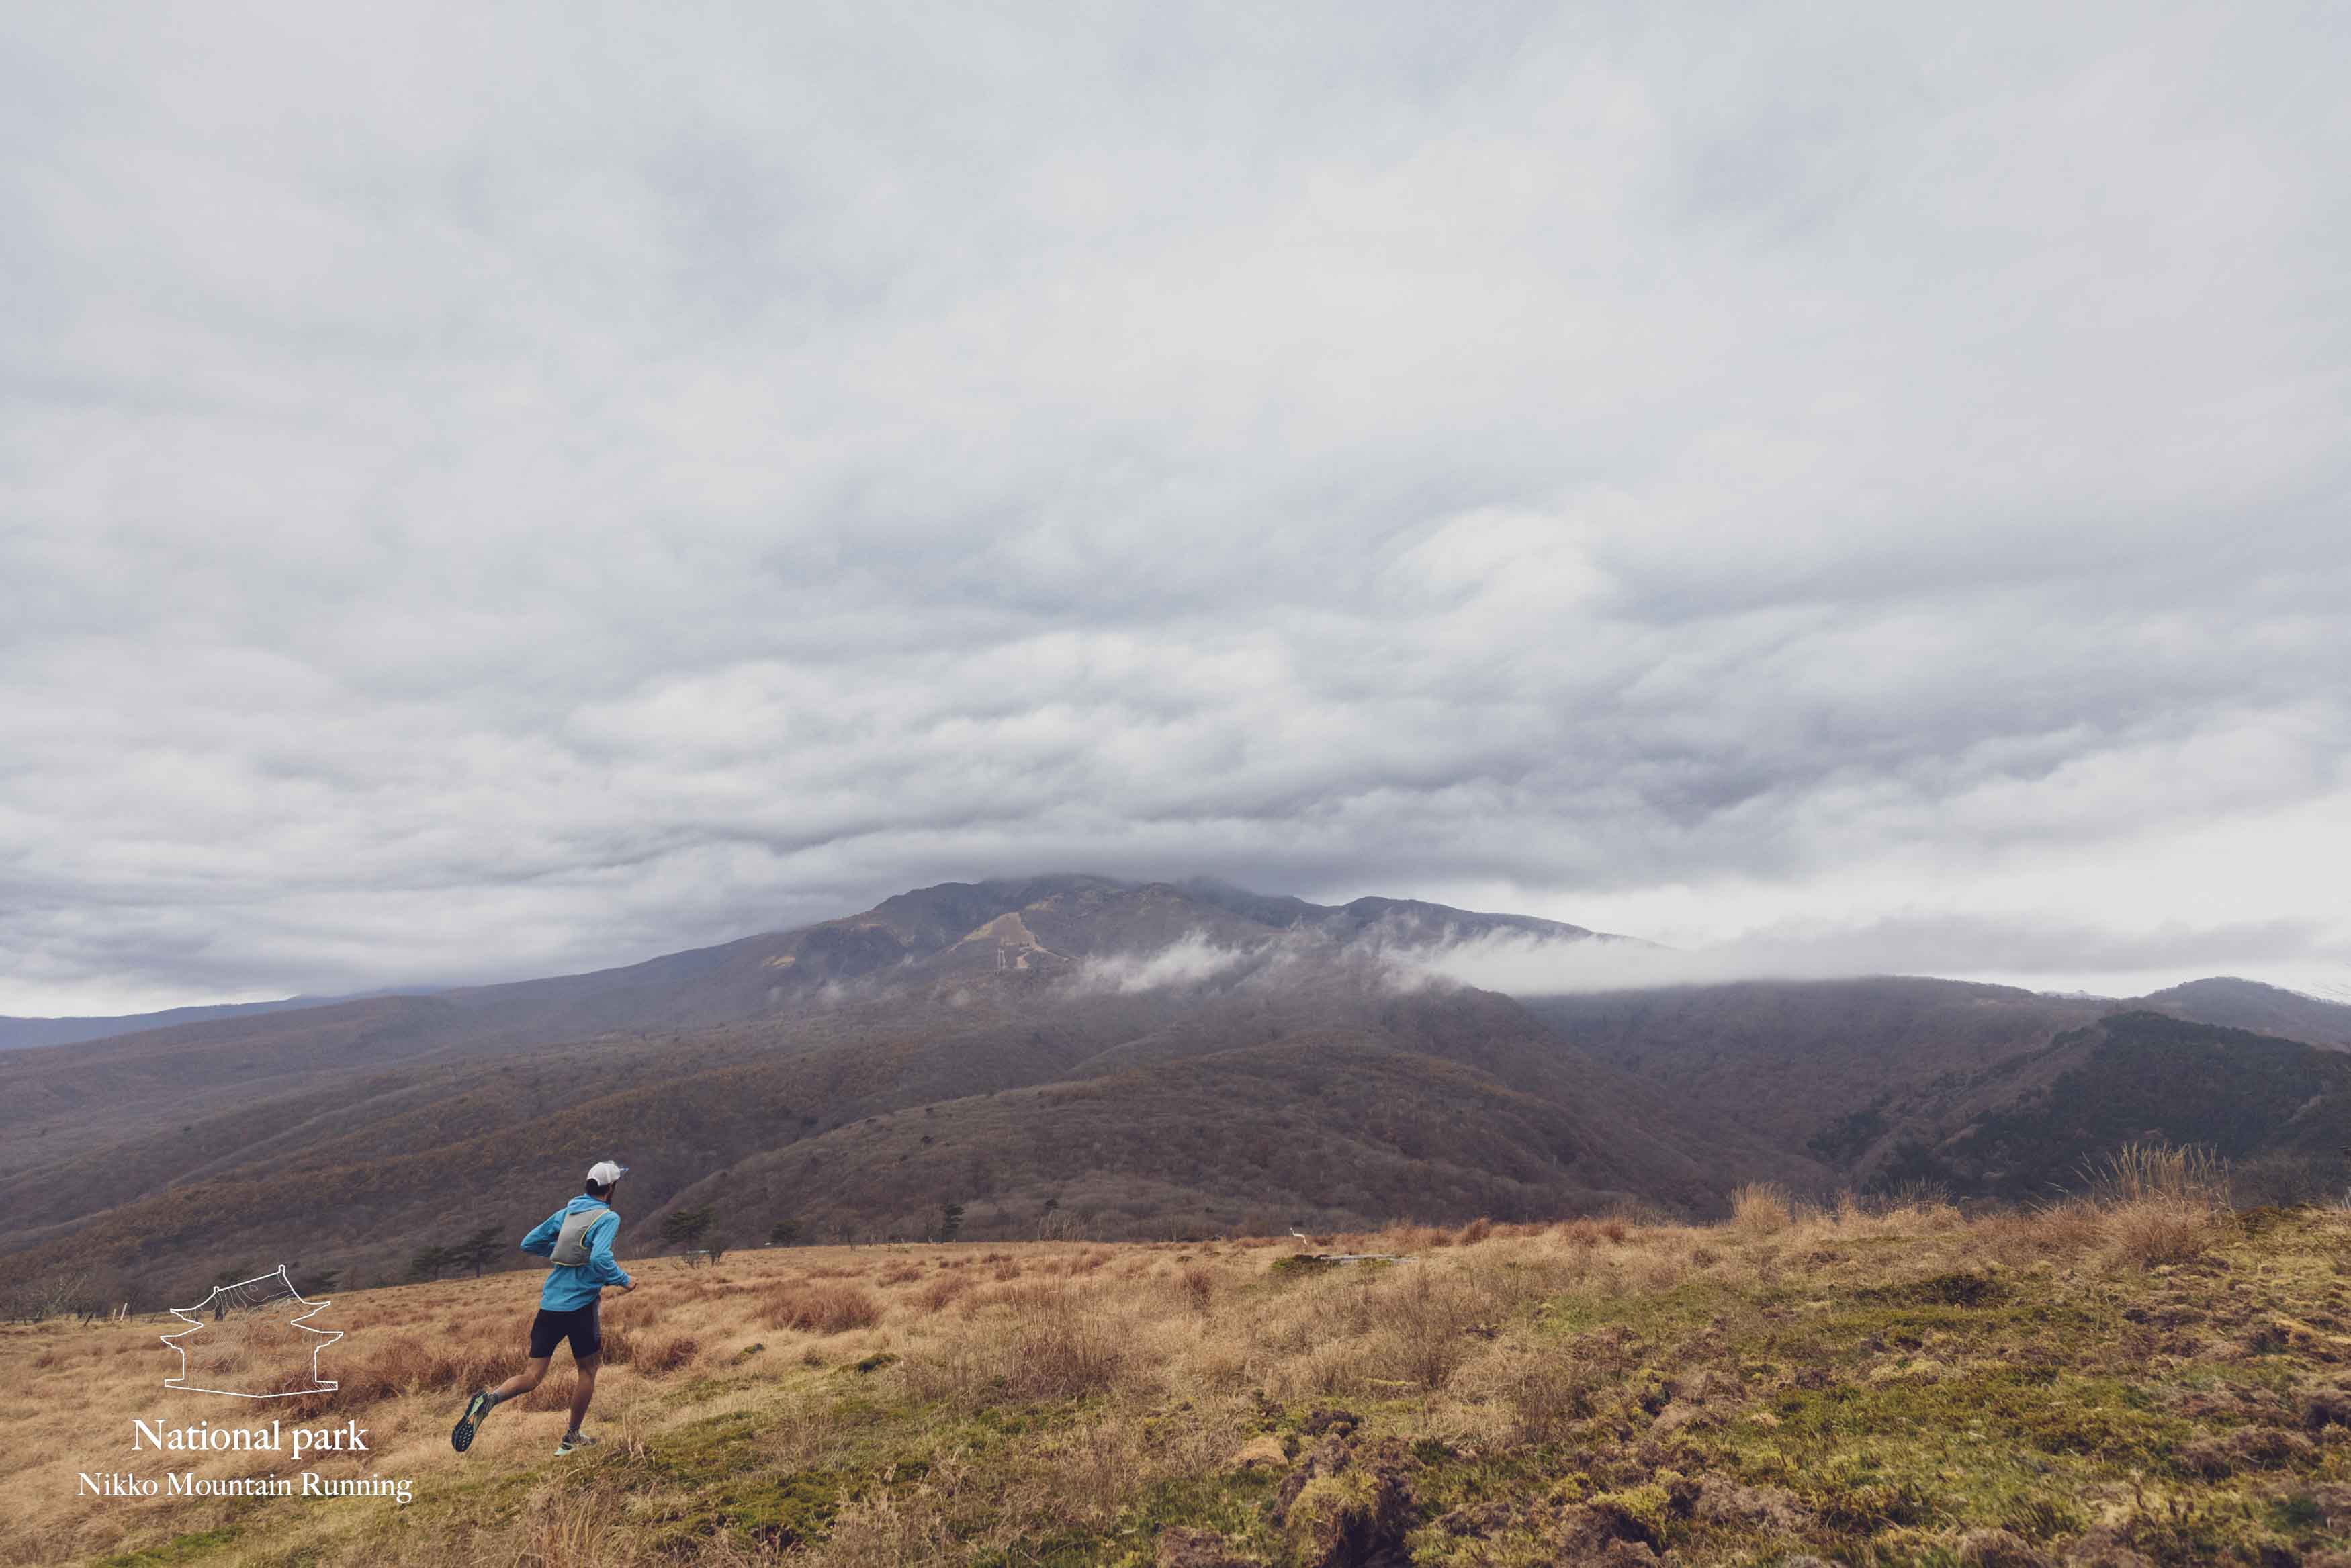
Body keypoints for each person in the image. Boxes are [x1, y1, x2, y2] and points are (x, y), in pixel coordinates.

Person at [451, 1160, 635, 1457]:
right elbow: (601, 1258)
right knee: (588, 1370)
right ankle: (571, 1437)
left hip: (550, 1306)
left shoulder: (568, 1213)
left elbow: (529, 1242)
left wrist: (563, 1252)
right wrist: (624, 1280)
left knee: (532, 1376)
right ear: (611, 1187)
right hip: (580, 1308)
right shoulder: (606, 1218)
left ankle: (489, 1400)